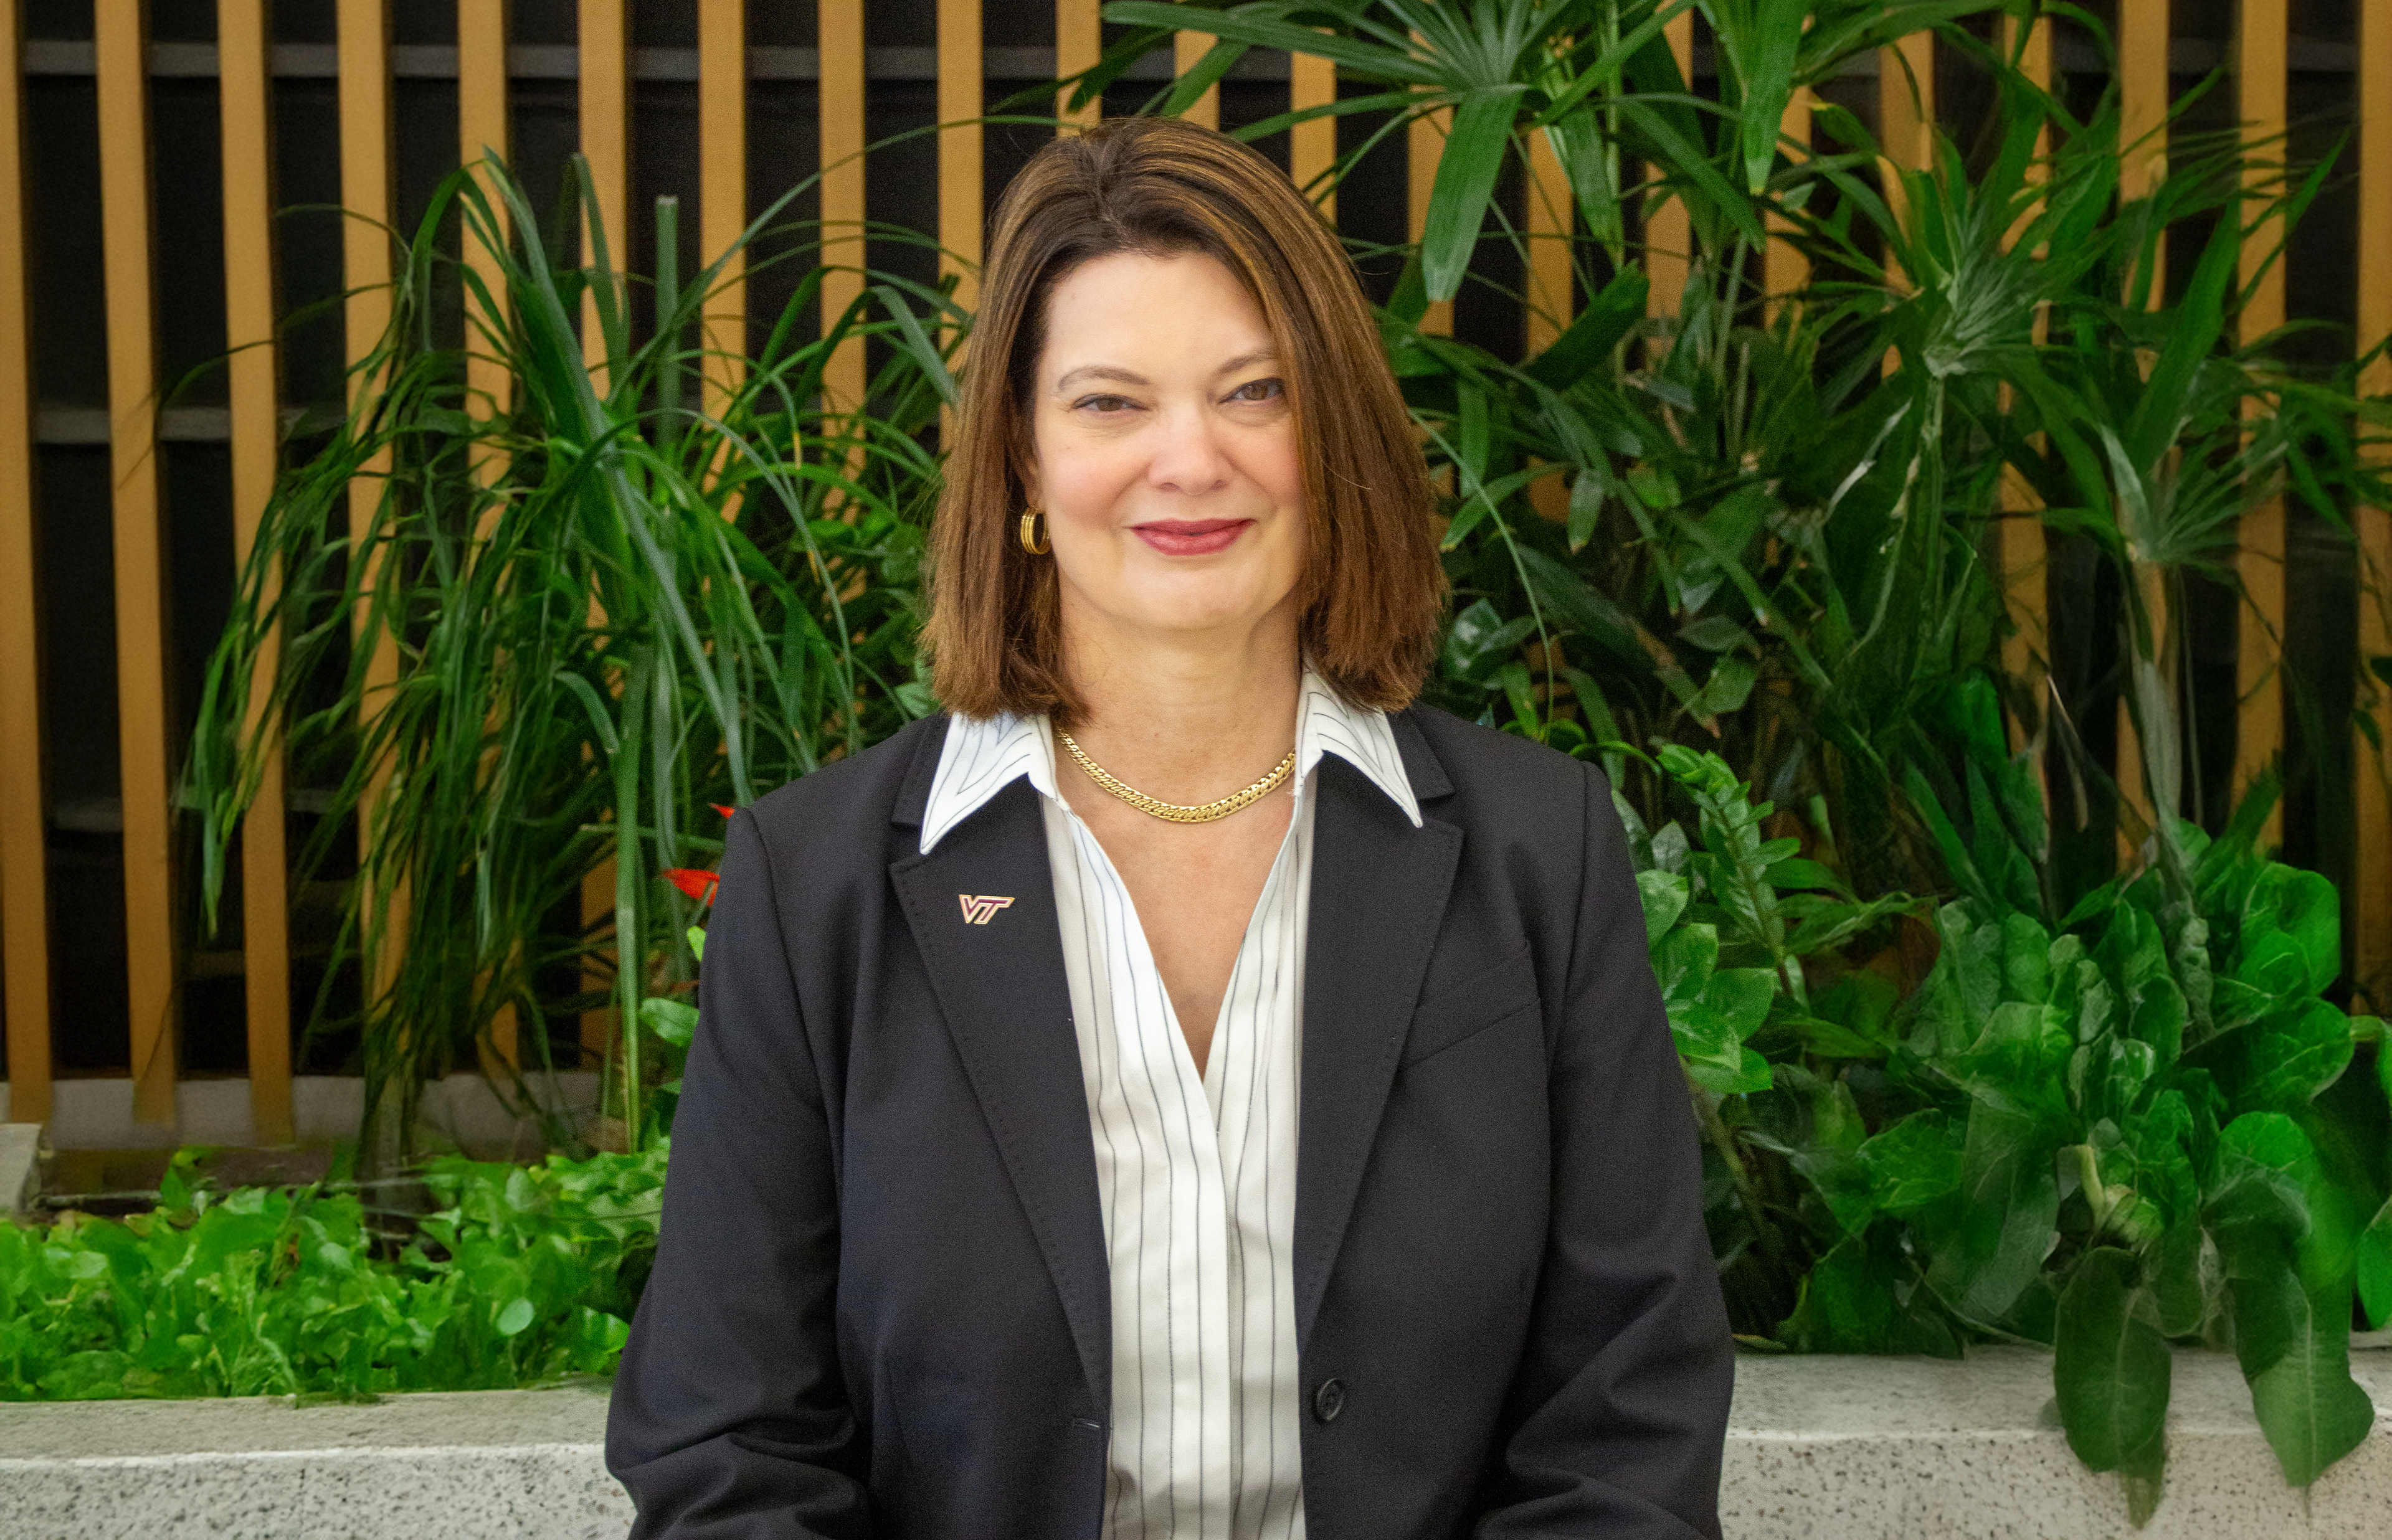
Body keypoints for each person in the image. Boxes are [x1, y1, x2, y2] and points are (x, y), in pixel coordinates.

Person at [607, 114, 1732, 1539]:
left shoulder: (1536, 853)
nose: (1189, 461)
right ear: (1019, 456)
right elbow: (726, 1446)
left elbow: (1628, 1417)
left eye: (1252, 391)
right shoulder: (815, 887)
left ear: (1330, 429)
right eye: (1108, 403)